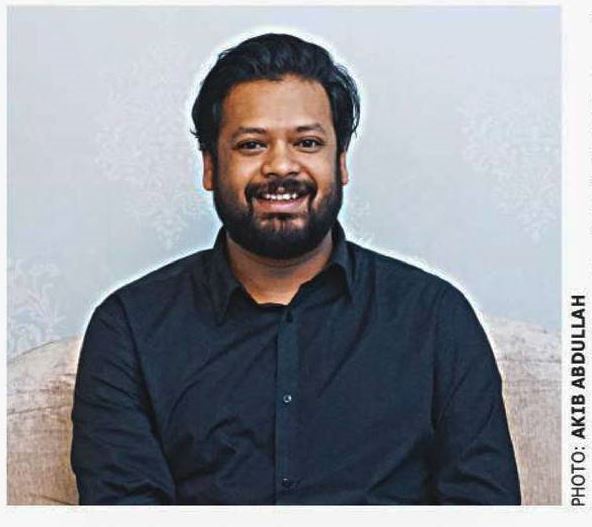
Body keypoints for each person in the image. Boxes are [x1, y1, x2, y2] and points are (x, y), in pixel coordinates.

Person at [71, 33, 521, 505]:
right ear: (209, 167)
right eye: (251, 145)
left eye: (307, 142)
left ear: (340, 162)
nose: (281, 166)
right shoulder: (130, 329)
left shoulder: (435, 318)